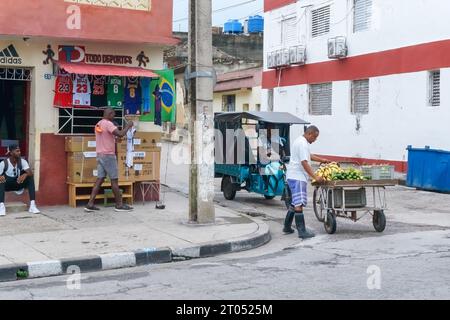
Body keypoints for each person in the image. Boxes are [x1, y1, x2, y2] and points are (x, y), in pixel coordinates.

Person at [283, 126, 330, 239]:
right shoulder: (303, 144)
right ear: (309, 134)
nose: (315, 139)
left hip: (293, 175)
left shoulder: (300, 141)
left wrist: (322, 160)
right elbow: (304, 162)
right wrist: (315, 176)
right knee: (299, 203)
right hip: (297, 176)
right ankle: (302, 231)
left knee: (295, 202)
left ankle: (287, 227)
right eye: (314, 137)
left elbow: (308, 156)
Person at [85, 108, 134, 212]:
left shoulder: (98, 124)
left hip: (100, 155)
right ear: (109, 114)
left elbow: (109, 137)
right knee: (114, 180)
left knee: (100, 179)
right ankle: (119, 205)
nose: (114, 117)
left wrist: (115, 139)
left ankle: (90, 204)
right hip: (108, 156)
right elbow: (120, 134)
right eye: (113, 115)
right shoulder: (108, 124)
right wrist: (128, 126)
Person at [0, 144, 40, 216]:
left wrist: (25, 174)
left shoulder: (23, 161)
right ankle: (1, 207)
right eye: (17, 151)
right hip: (7, 186)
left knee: (30, 178)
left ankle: (32, 205)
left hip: (18, 183)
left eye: (19, 151)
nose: (19, 152)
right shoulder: (4, 163)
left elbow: (30, 173)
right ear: (11, 153)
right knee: (1, 180)